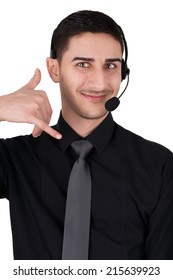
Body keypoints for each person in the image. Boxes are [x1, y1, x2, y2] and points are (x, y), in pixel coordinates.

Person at [0, 10, 173, 260]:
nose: (100, 83)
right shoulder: (15, 159)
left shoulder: (159, 166)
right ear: (55, 69)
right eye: (83, 64)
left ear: (124, 72)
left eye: (111, 65)